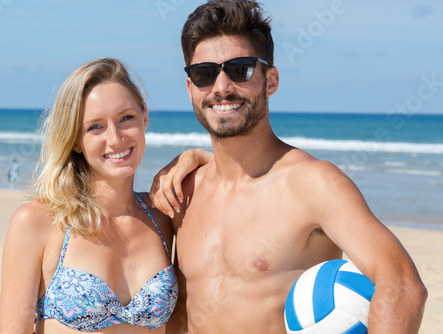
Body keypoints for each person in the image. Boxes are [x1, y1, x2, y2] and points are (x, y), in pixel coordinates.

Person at [150, 0, 428, 333]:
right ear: (190, 88)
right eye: (205, 74)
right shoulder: (184, 190)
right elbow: (182, 308)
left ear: (271, 80)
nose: (222, 88)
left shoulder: (314, 184)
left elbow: (401, 285)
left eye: (240, 69)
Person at [0, 58, 210, 334]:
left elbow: (236, 182)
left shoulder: (163, 215)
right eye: (95, 127)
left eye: (126, 118)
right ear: (75, 139)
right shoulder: (38, 222)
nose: (115, 138)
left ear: (144, 116)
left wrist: (196, 155)